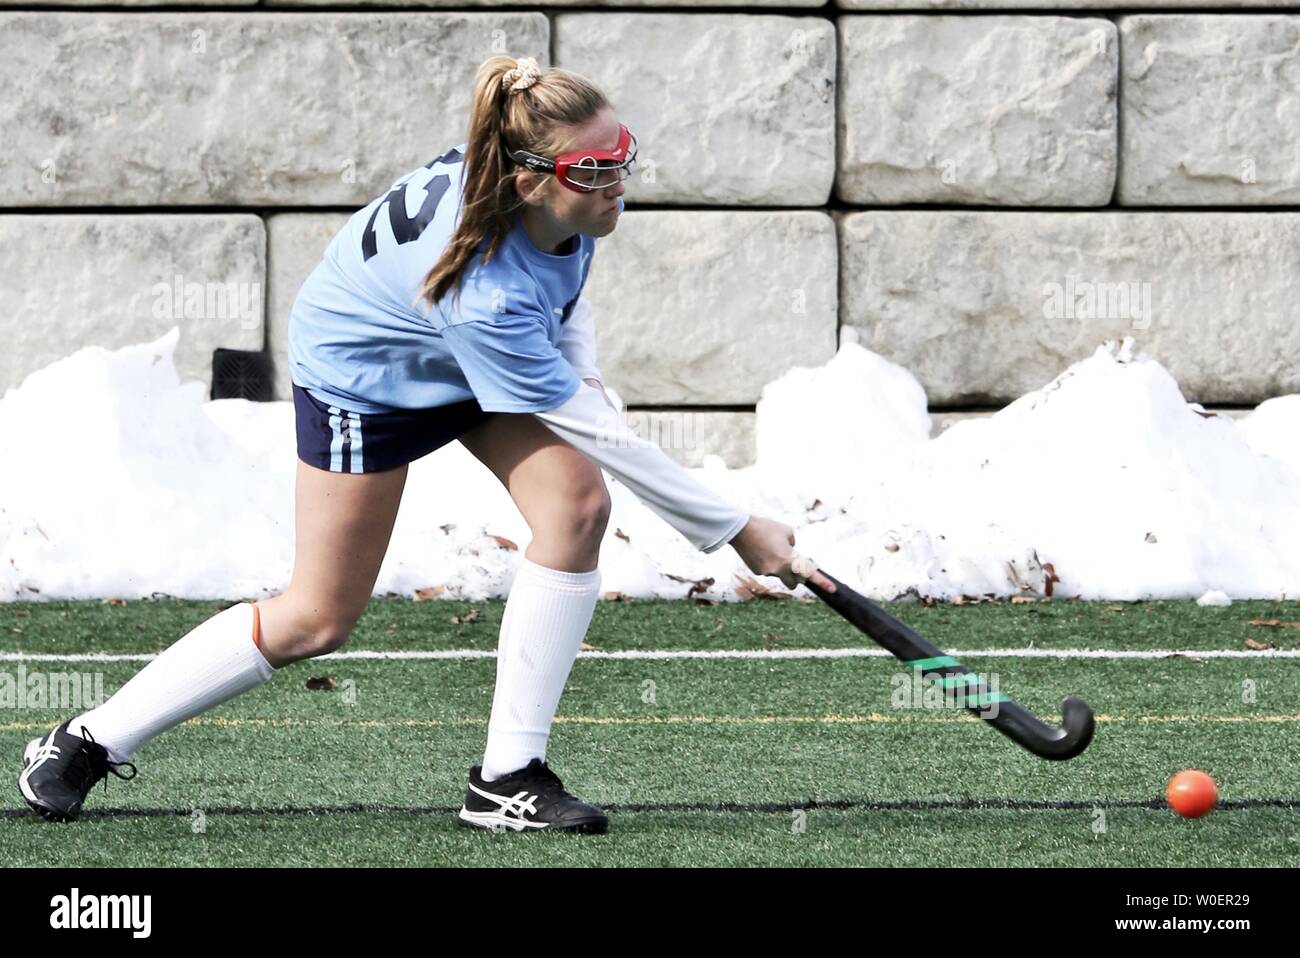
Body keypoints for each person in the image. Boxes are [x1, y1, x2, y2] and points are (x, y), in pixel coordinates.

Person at [17, 55, 836, 833]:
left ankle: (508, 779)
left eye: (622, 157)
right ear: (530, 180)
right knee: (317, 618)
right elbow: (580, 401)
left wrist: (588, 395)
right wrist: (736, 529)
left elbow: (570, 329)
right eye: (594, 171)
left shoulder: (560, 205)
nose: (616, 182)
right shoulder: (487, 288)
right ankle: (87, 738)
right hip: (365, 381)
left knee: (577, 507)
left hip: (457, 352)